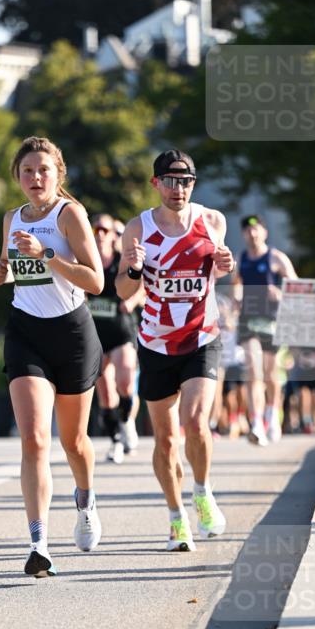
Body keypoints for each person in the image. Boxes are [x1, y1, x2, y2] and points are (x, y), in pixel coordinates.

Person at [0, 136, 104, 577]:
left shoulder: (69, 214)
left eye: (43, 170)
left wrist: (49, 253)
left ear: (58, 174)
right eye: (27, 171)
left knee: (73, 441)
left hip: (72, 334)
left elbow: (95, 281)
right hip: (26, 333)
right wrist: (2, 271)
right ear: (17, 177)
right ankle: (38, 543)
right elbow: (9, 267)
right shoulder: (11, 218)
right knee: (35, 438)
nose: (35, 178)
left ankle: (86, 499)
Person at [115, 149, 235, 552]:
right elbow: (122, 291)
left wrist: (226, 262)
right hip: (155, 342)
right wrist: (132, 268)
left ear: (193, 185)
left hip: (201, 336)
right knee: (165, 440)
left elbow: (218, 270)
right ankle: (175, 516)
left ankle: (201, 492)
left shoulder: (212, 221)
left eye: (184, 181)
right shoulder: (137, 227)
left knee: (196, 421)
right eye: (168, 180)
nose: (176, 188)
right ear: (156, 184)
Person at [233, 214, 297, 445]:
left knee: (271, 375)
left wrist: (280, 294)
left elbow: (297, 287)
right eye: (248, 231)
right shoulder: (241, 258)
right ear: (243, 234)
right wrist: (237, 300)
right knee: (253, 371)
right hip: (248, 321)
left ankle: (272, 414)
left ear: (264, 232)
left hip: (272, 321)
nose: (252, 234)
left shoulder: (276, 258)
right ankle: (257, 422)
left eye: (256, 230)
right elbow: (236, 285)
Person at [89, 212, 142, 463]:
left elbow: (144, 283)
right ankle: (116, 441)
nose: (100, 235)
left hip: (122, 330)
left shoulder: (122, 260)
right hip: (96, 335)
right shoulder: (87, 261)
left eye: (105, 230)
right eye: (96, 230)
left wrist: (131, 301)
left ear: (113, 235)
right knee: (106, 394)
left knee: (126, 382)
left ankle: (126, 421)